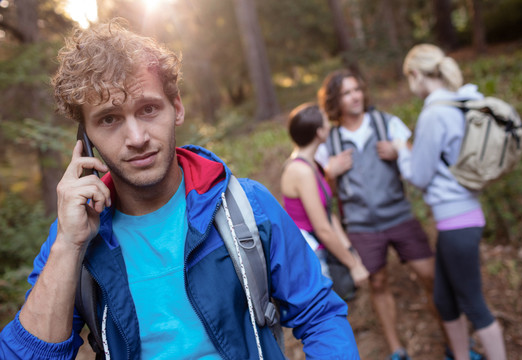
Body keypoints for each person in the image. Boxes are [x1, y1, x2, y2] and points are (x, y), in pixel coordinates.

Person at [0, 20, 361, 360]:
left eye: (148, 109)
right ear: (86, 138)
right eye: (109, 119)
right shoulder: (73, 238)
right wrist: (67, 245)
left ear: (176, 108)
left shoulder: (246, 207)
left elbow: (320, 315)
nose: (137, 138)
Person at [394, 43, 507, 360]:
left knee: (474, 304)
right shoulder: (465, 101)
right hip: (463, 217)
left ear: (416, 74)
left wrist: (402, 150)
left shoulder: (434, 113)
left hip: (457, 222)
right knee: (445, 299)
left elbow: (419, 175)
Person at [316, 69, 436, 360]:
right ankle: (397, 350)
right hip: (361, 226)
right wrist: (331, 173)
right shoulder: (328, 143)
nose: (354, 97)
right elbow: (322, 196)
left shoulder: (387, 124)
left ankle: (456, 342)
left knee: (430, 275)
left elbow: (415, 163)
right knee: (378, 282)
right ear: (335, 100)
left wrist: (399, 153)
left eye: (356, 89)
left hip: (400, 216)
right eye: (346, 93)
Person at [281, 103, 368, 299]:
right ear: (319, 132)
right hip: (315, 260)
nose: (330, 125)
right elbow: (323, 229)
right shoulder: (300, 171)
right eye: (326, 122)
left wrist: (351, 252)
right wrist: (353, 265)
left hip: (325, 253)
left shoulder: (314, 165)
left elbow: (328, 214)